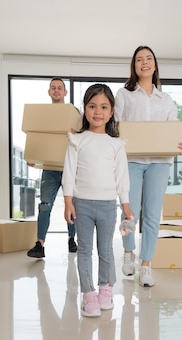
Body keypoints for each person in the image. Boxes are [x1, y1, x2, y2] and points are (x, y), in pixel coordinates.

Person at [114, 45, 182, 287]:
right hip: (132, 161)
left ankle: (146, 265)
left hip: (160, 163)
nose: (144, 63)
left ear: (155, 65)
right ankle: (128, 252)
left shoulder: (165, 99)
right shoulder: (124, 95)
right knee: (130, 211)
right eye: (139, 60)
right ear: (134, 66)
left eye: (149, 59)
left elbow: (174, 131)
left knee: (152, 215)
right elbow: (116, 127)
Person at [62, 84, 133, 317]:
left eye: (104, 107)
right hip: (81, 204)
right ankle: (88, 294)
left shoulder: (116, 144)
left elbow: (122, 176)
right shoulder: (77, 140)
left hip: (107, 205)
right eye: (92, 106)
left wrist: (125, 205)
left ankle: (106, 289)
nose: (97, 111)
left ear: (111, 112)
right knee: (84, 250)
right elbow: (69, 172)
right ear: (85, 109)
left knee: (105, 250)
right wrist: (68, 202)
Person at [27, 78, 78, 258]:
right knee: (45, 206)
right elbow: (36, 137)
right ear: (49, 92)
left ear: (65, 92)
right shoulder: (43, 116)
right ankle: (40, 244)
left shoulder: (74, 114)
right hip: (49, 168)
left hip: (69, 167)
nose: (56, 90)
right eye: (53, 88)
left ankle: (72, 239)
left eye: (60, 88)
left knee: (71, 205)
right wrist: (32, 157)